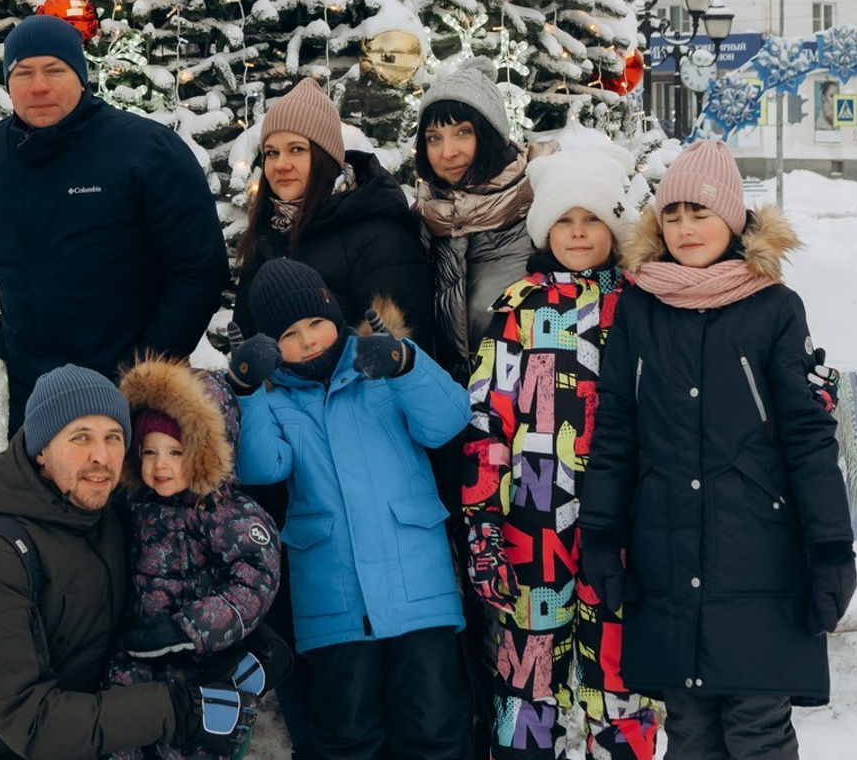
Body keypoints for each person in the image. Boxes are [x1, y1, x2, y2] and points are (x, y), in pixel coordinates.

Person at [579, 137, 857, 760]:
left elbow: (808, 437)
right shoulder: (638, 309)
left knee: (757, 728)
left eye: (700, 213)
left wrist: (831, 548)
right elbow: (616, 429)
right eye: (672, 215)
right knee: (691, 733)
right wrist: (600, 534)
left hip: (757, 554)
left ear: (732, 218)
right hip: (666, 553)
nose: (685, 227)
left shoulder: (775, 309)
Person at [0, 14, 228, 431]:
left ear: (81, 77)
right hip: (27, 390)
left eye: (55, 70)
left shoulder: (145, 149)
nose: (39, 86)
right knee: (23, 496)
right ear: (8, 83)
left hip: (120, 389)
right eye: (23, 73)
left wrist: (145, 373)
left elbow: (199, 271)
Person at [0, 365, 238, 760]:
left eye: (113, 438)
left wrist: (242, 634)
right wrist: (172, 709)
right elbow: (31, 722)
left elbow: (168, 586)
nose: (101, 457)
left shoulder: (108, 521)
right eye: (80, 437)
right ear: (40, 451)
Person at [460, 128, 657, 760]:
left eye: (591, 220)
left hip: (619, 525)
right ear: (544, 231)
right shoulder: (518, 306)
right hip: (532, 527)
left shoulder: (639, 306)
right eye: (563, 220)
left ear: (613, 228)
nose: (577, 233)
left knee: (620, 671)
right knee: (529, 668)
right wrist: (483, 521)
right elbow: (487, 418)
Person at [229, 260, 473, 760]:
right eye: (290, 334)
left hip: (417, 588)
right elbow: (262, 467)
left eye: (316, 323)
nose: (310, 339)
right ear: (273, 346)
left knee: (433, 729)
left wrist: (407, 363)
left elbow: (447, 420)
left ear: (334, 315)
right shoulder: (277, 400)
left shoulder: (380, 370)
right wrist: (246, 393)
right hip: (335, 596)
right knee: (347, 734)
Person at [105, 357, 284, 760]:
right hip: (135, 657)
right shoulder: (134, 506)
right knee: (124, 740)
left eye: (175, 451)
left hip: (200, 666)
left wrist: (188, 630)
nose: (159, 465)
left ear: (204, 452)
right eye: (148, 452)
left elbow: (254, 581)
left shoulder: (228, 513)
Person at [231, 78, 433, 351]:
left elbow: (406, 357)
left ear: (325, 156)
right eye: (271, 152)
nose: (280, 164)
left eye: (296, 149)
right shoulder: (269, 232)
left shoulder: (380, 237)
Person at [414, 64, 538, 377]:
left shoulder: (543, 210)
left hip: (527, 411)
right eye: (433, 138)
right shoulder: (424, 221)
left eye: (462, 133)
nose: (447, 152)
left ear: (489, 133)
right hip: (453, 413)